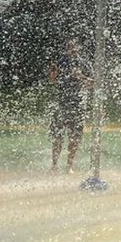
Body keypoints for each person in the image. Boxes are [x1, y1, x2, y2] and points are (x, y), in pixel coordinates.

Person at [49, 40, 90, 174]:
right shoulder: (60, 62)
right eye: (69, 47)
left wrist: (81, 77)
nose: (71, 50)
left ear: (78, 48)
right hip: (61, 103)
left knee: (75, 136)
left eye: (74, 47)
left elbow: (94, 83)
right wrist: (54, 72)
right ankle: (54, 165)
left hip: (78, 104)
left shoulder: (84, 63)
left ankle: (69, 166)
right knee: (58, 135)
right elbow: (52, 80)